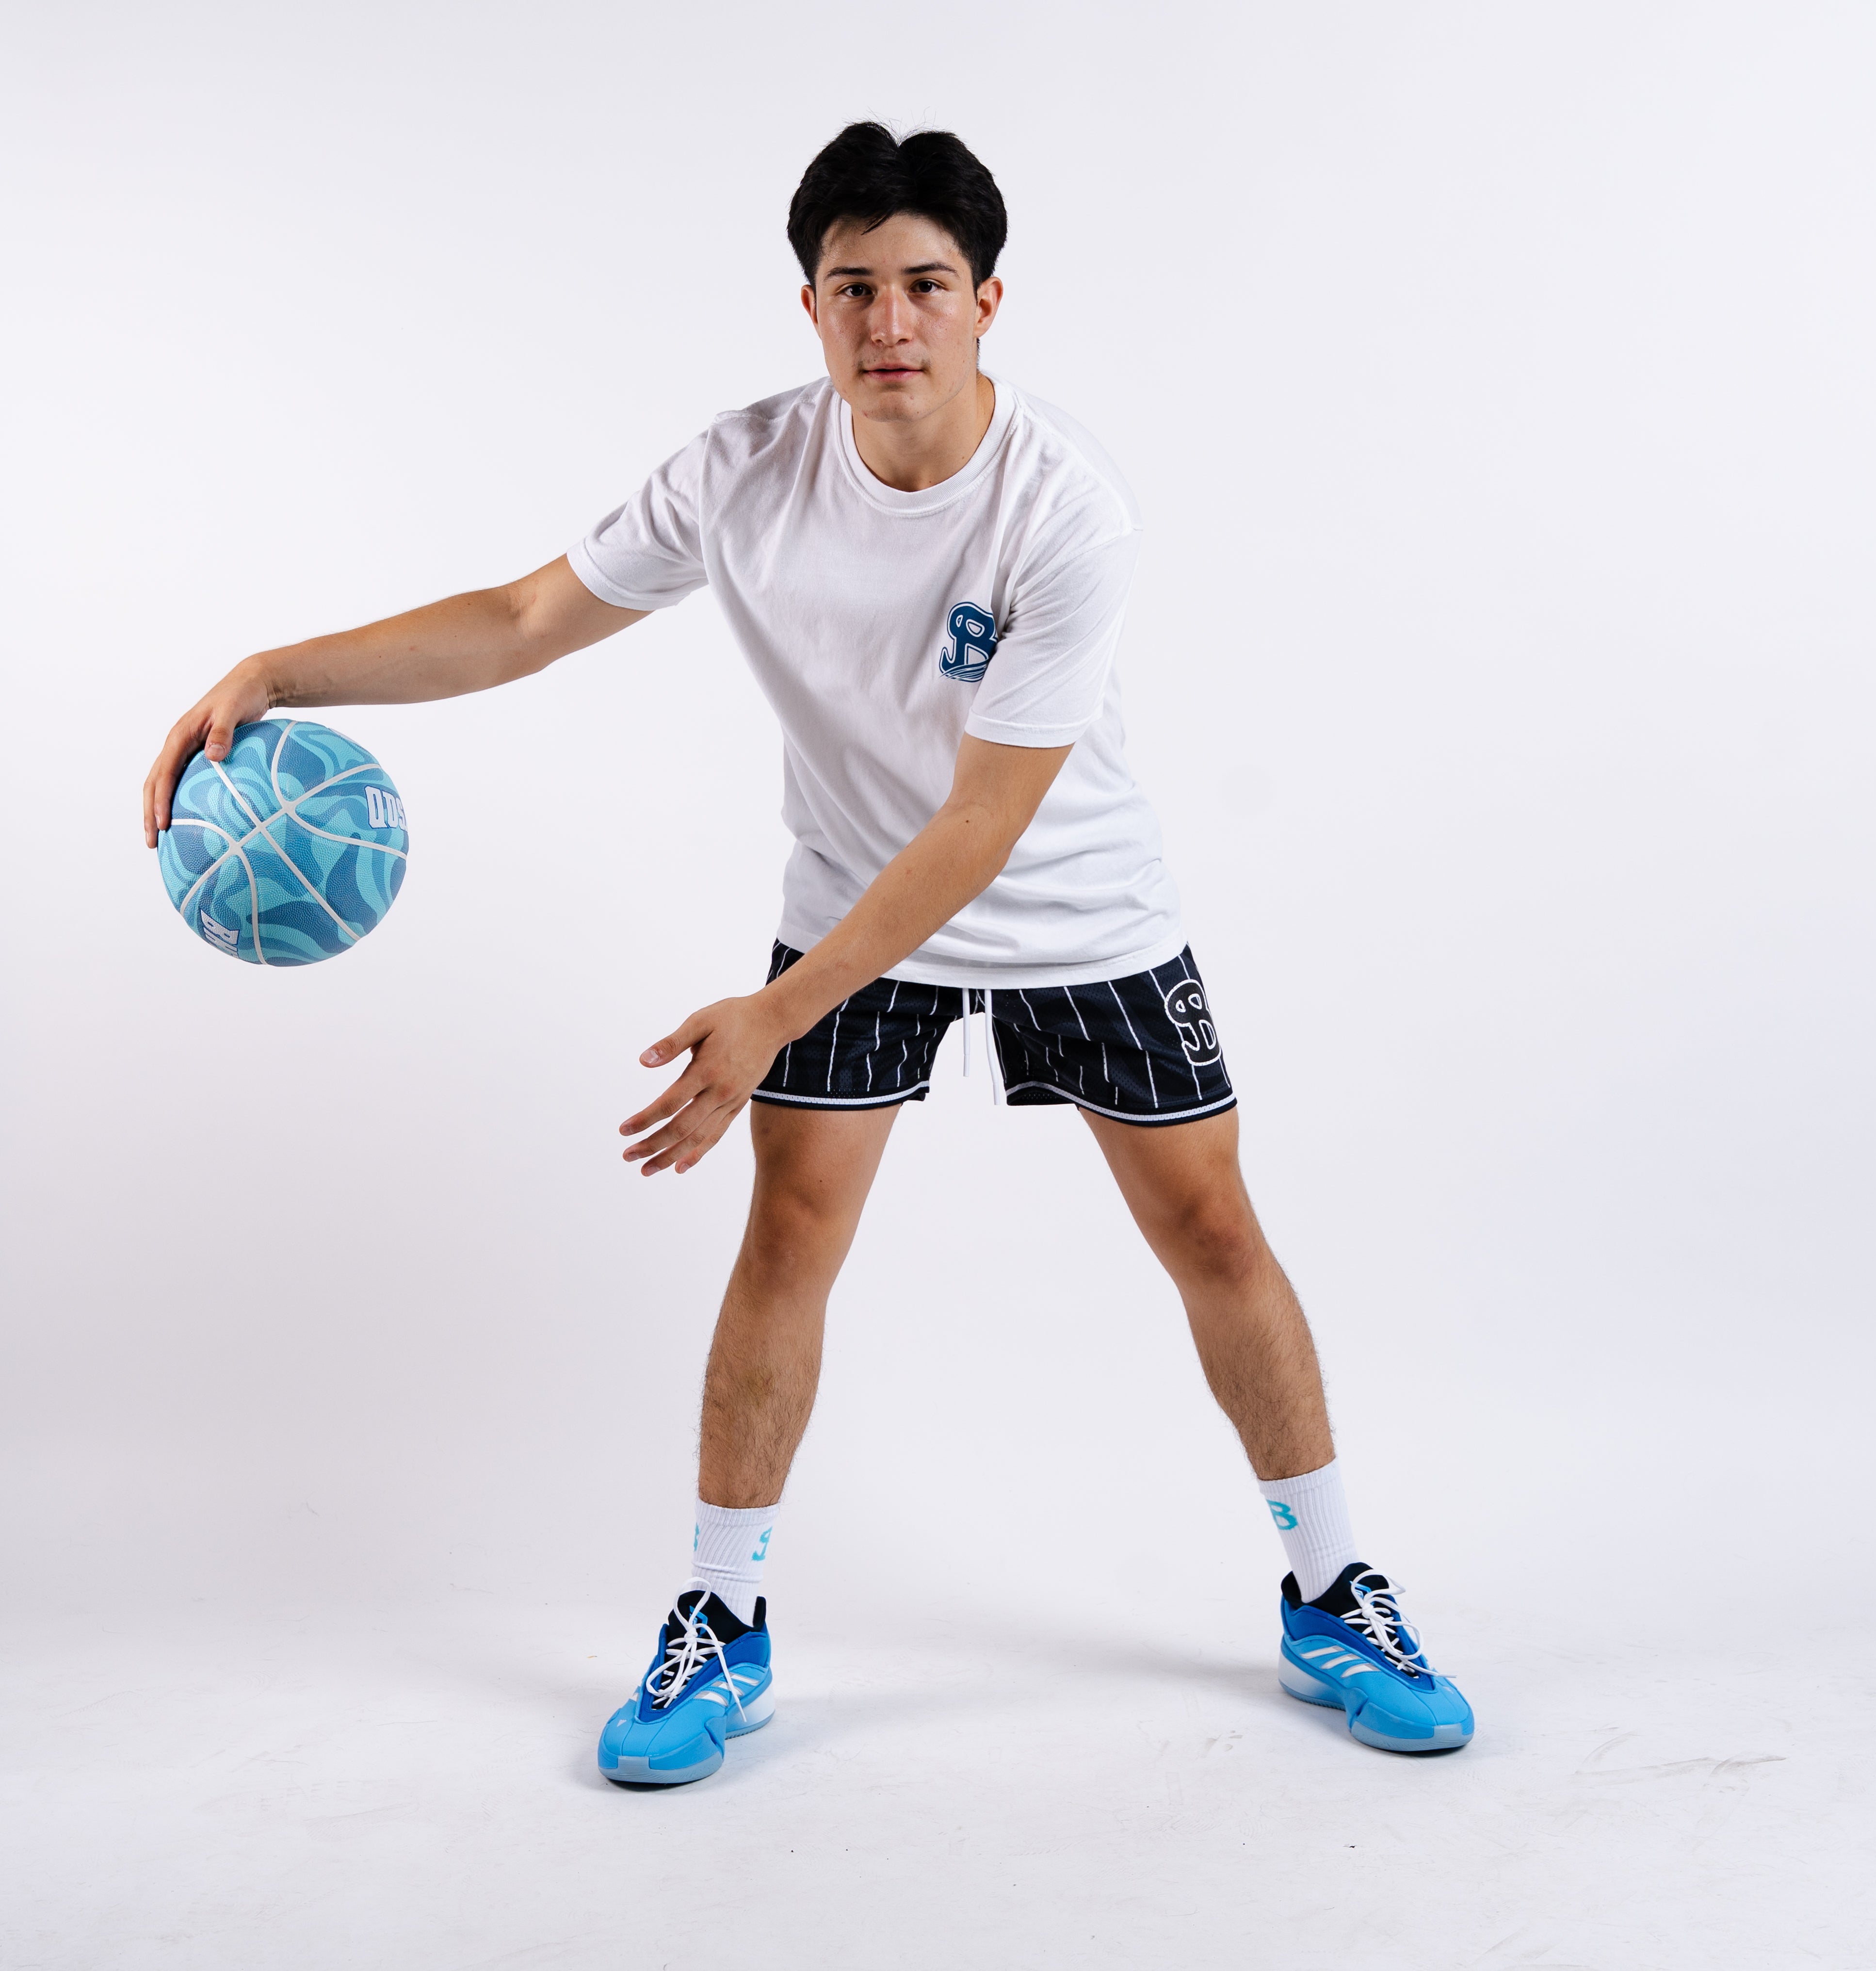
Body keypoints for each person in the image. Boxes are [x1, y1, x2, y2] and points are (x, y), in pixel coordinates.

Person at [142, 122, 1473, 1781]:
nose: (889, 321)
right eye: (855, 287)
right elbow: (525, 621)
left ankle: (1334, 1591)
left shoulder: (1069, 510)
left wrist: (772, 1013)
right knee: (789, 1235)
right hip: (854, 909)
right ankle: (723, 1622)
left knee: (1211, 1226)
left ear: (988, 303)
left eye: (926, 284)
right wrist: (276, 670)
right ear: (812, 305)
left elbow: (983, 824)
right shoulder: (745, 472)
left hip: (1077, 903)